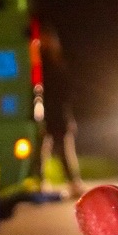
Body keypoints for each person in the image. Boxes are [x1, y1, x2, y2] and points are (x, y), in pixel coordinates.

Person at [36, 25, 84, 199]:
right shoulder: (36, 63)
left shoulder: (57, 63)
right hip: (41, 111)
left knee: (64, 150)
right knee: (41, 150)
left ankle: (74, 183)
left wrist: (68, 113)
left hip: (59, 112)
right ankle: (39, 182)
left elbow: (68, 90)